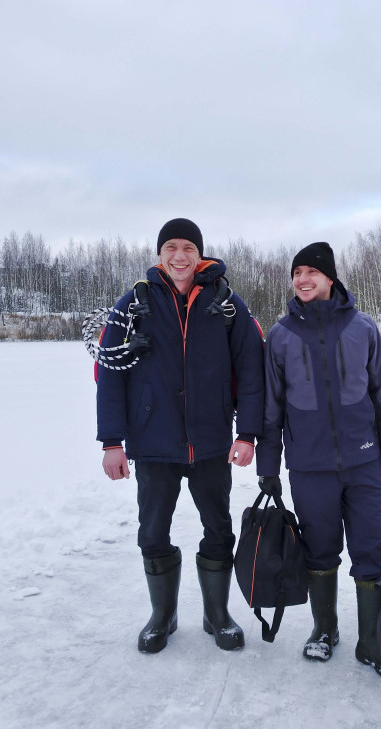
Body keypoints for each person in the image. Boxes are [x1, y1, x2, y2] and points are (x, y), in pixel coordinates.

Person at [97, 218, 264, 654]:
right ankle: (163, 615)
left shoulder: (227, 304)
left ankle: (216, 614)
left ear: (200, 254)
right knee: (152, 532)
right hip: (153, 443)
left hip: (210, 441)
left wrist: (246, 433)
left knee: (218, 528)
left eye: (188, 247)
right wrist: (112, 441)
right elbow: (109, 376)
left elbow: (250, 371)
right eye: (170, 246)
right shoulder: (134, 304)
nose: (179, 256)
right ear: (159, 255)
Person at [256, 242, 381, 680]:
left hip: (363, 463)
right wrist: (269, 466)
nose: (302, 280)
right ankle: (325, 630)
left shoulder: (363, 328)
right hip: (309, 467)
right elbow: (272, 409)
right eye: (296, 273)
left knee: (372, 550)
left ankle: (374, 642)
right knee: (319, 550)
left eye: (311, 272)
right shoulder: (281, 335)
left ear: (330, 278)